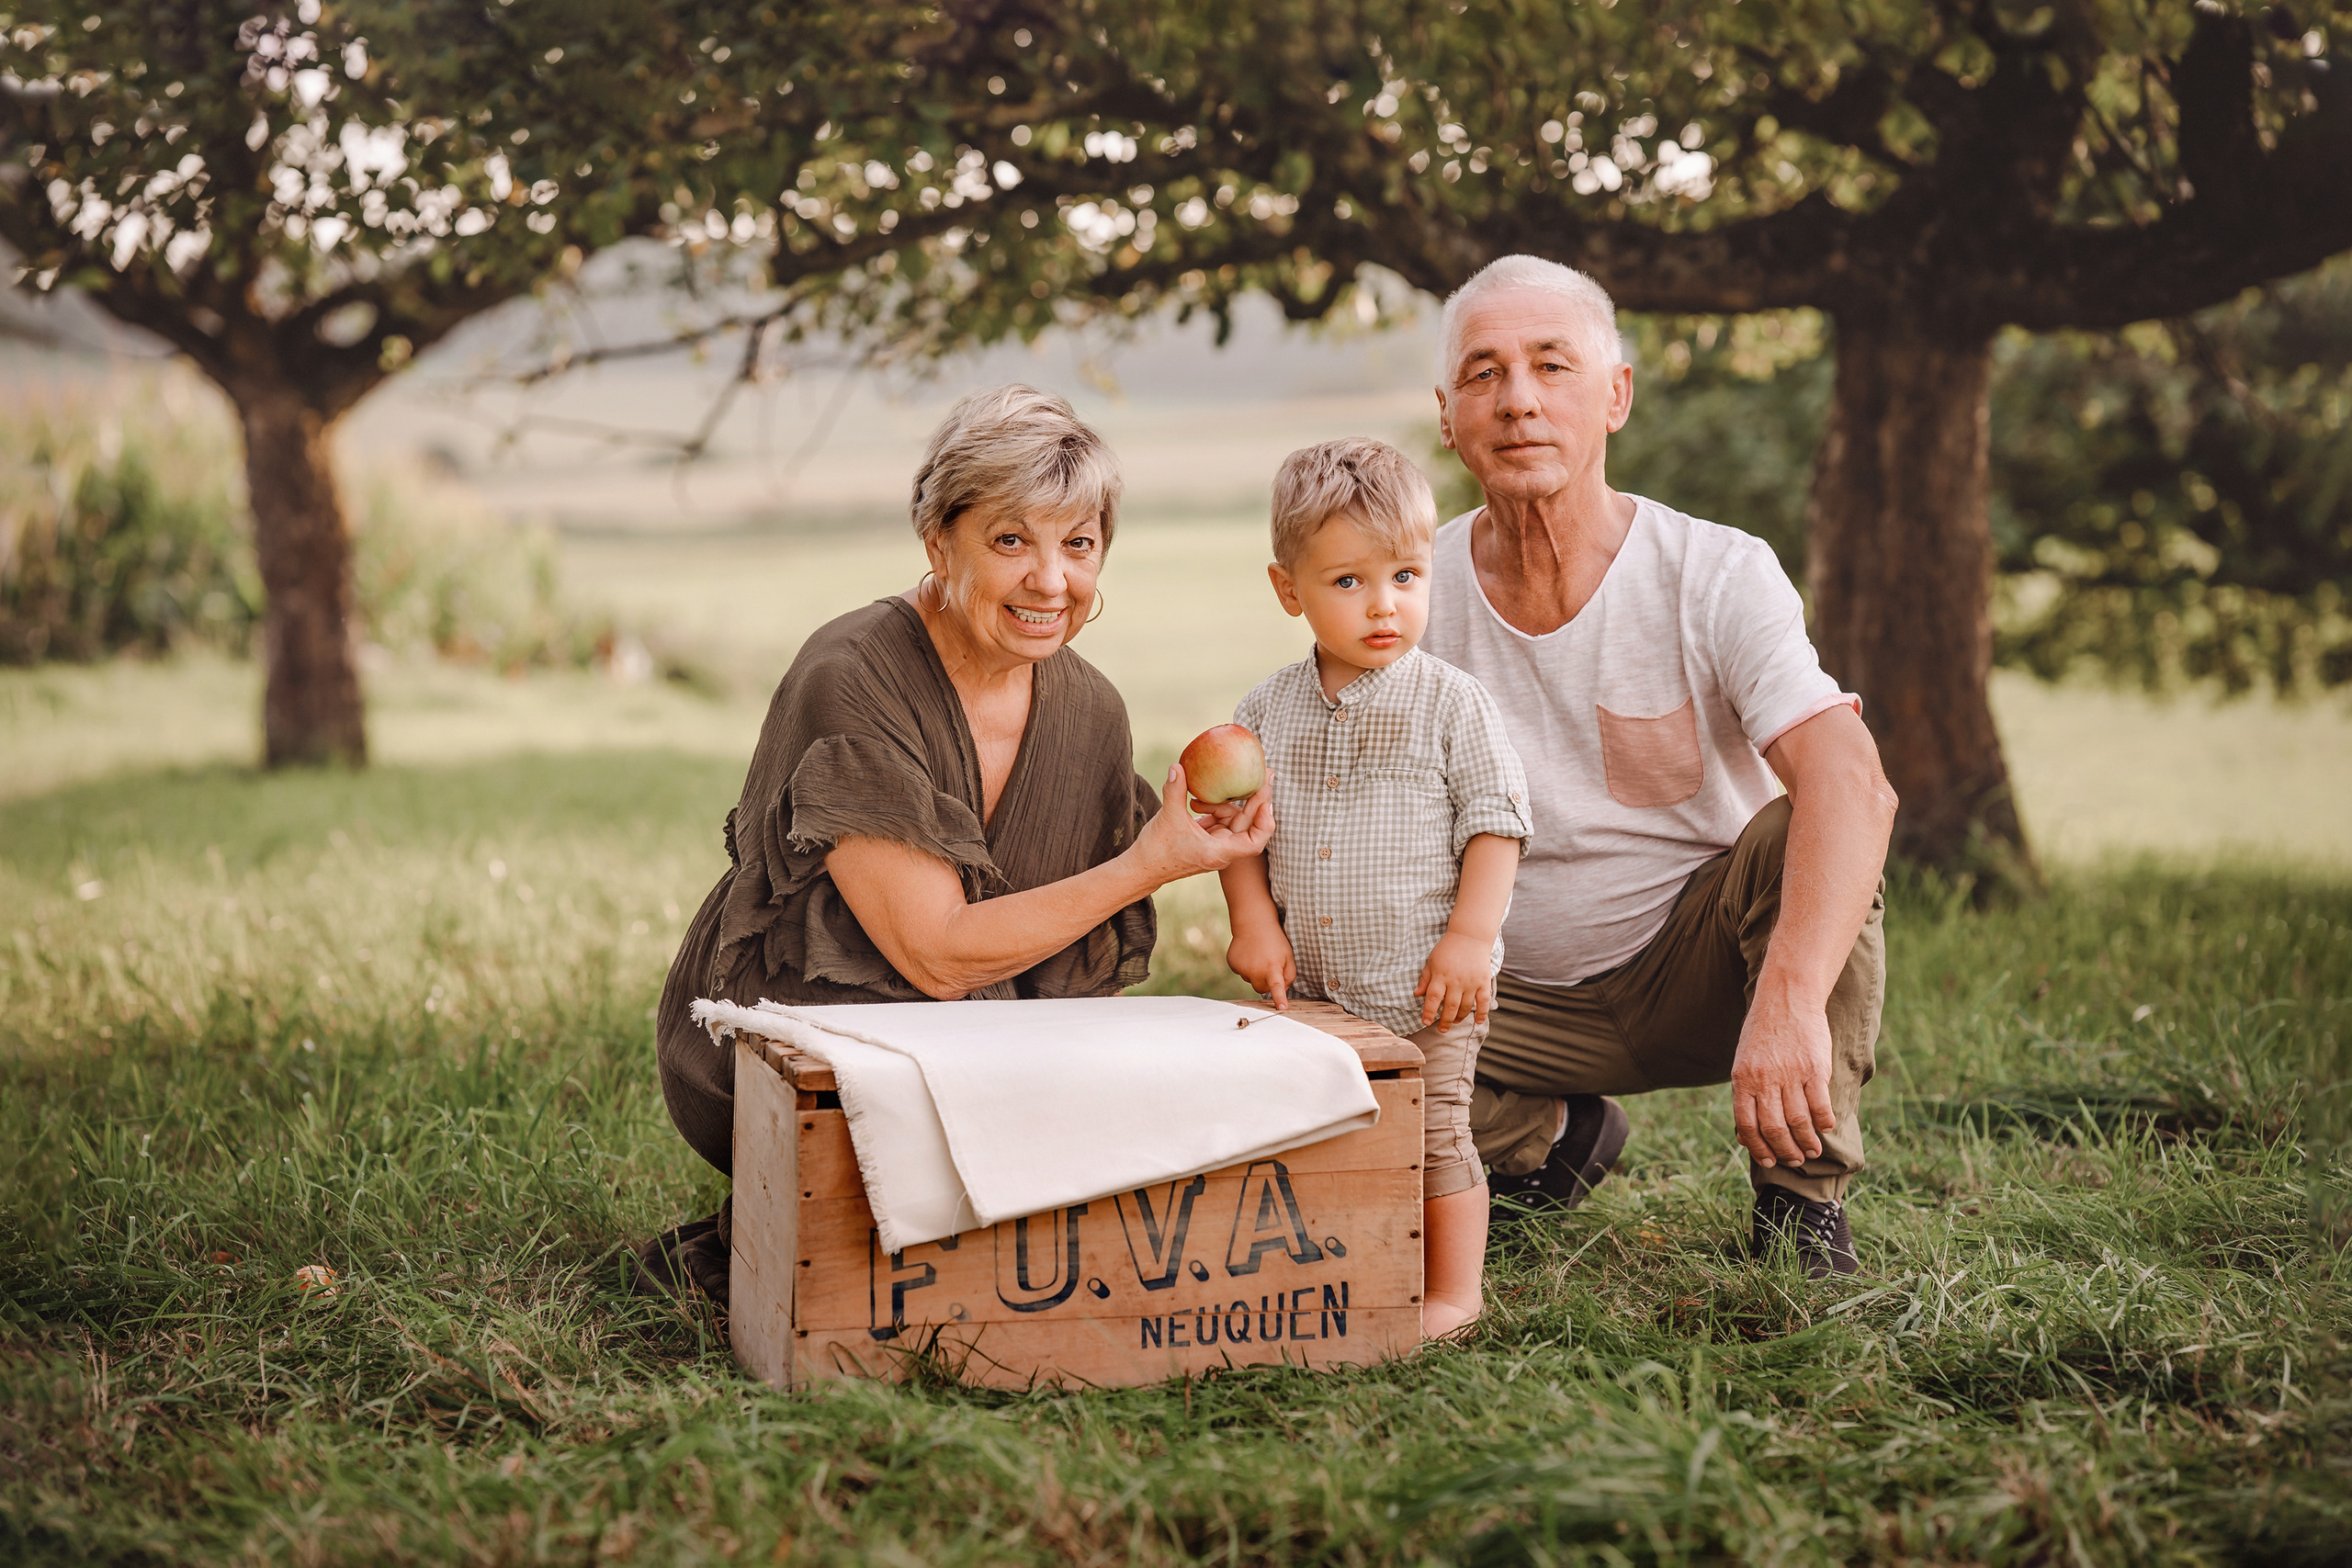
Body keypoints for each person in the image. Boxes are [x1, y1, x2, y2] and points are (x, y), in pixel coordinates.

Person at [637, 385, 1275, 1307]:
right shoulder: (850, 677)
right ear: (938, 541)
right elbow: (935, 955)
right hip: (799, 1039)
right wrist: (1149, 864)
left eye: (1079, 544)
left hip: (978, 1052)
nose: (1051, 581)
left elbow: (1073, 980)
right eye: (1011, 540)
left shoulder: (1091, 712)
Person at [1422, 255, 1898, 1279]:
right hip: (1502, 1001)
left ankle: (1800, 1208)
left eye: (1552, 365)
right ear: (1448, 415)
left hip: (1705, 982)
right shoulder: (1410, 592)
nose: (1517, 400)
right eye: (1482, 373)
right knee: (1334, 1040)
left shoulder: (1714, 572)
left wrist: (1787, 1001)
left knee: (1806, 824)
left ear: (1616, 396)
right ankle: (1547, 1142)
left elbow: (1854, 782)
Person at [1214, 438, 1532, 1337]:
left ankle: (1454, 1292)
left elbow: (1496, 825)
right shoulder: (1265, 711)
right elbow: (1237, 831)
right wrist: (1252, 921)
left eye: (1405, 576)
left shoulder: (1451, 703)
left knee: (1434, 1135)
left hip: (1427, 988)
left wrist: (1469, 940)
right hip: (1315, 991)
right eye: (1348, 581)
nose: (1384, 604)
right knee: (1327, 1132)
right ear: (1289, 590)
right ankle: (1346, 1264)